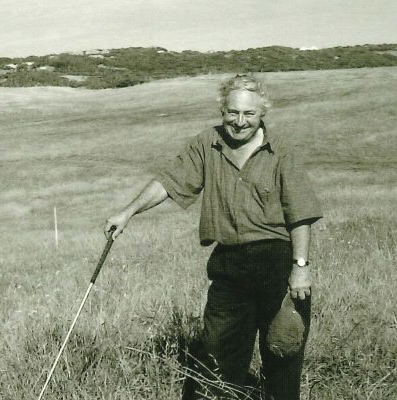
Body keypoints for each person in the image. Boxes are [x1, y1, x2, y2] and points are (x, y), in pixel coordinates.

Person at [103, 74, 322, 400]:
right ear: (222, 111)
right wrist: (128, 211)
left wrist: (300, 266)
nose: (240, 122)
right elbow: (169, 182)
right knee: (218, 361)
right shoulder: (207, 144)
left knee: (281, 354)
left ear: (263, 112)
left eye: (249, 114)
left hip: (276, 262)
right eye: (232, 113)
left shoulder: (282, 153)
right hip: (228, 264)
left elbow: (300, 214)